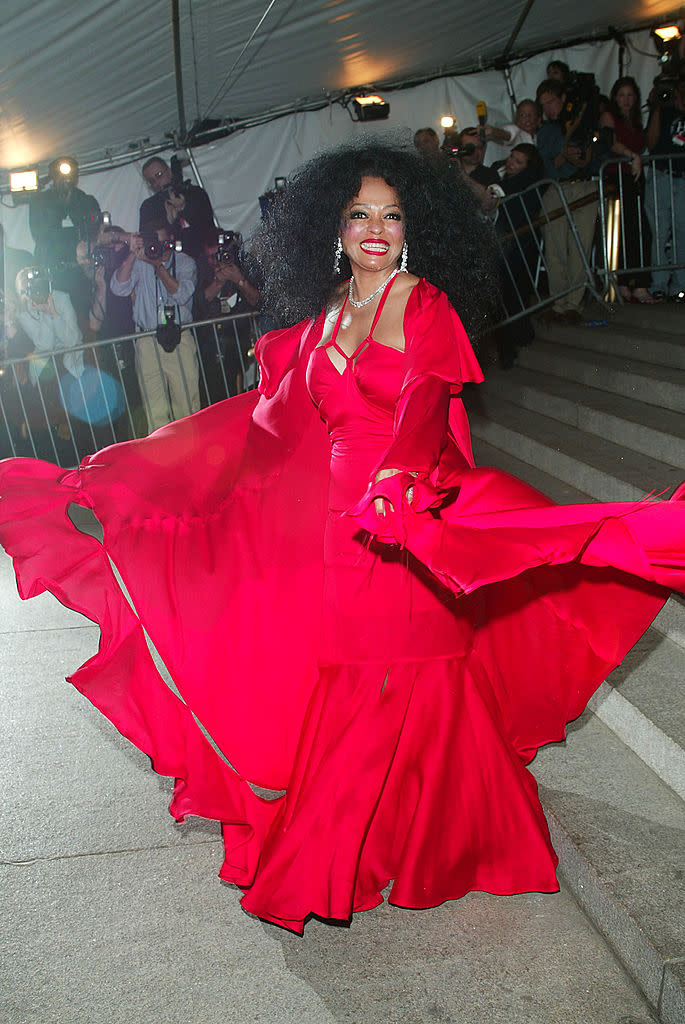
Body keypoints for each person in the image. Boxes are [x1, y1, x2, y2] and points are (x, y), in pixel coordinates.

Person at [0, 143, 683, 938]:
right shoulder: (322, 320)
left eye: (391, 216)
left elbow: (426, 401)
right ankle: (409, 840)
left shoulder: (420, 304)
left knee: (410, 676)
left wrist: (397, 483)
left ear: (411, 230)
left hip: (401, 517)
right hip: (334, 525)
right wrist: (136, 473)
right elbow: (257, 427)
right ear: (332, 226)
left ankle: (385, 850)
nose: (375, 228)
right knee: (366, 678)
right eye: (359, 213)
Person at [110, 221, 200, 432]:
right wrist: (133, 254)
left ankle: (191, 457)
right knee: (154, 409)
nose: (156, 247)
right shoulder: (140, 263)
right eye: (153, 243)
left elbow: (181, 293)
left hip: (180, 338)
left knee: (187, 405)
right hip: (147, 339)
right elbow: (118, 288)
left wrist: (158, 266)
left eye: (162, 243)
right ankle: (163, 459)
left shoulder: (185, 263)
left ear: (171, 242)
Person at [535, 78, 600, 322]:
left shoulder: (583, 123)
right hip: (555, 188)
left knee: (580, 246)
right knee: (554, 249)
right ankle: (558, 302)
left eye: (552, 101)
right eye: (544, 104)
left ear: (562, 99)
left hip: (583, 186)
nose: (549, 108)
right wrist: (562, 156)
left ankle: (573, 303)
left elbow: (593, 156)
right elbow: (546, 162)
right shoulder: (547, 130)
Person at [599, 77, 654, 303]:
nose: (626, 100)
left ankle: (631, 281)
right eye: (622, 95)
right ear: (614, 97)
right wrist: (633, 156)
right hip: (616, 177)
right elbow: (610, 142)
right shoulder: (609, 117)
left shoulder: (636, 121)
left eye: (630, 95)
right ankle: (629, 281)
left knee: (637, 230)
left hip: (632, 178)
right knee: (625, 230)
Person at [193, 228, 260, 401]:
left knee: (236, 383)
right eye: (210, 256)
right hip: (210, 341)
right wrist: (219, 282)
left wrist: (238, 279)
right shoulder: (203, 269)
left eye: (218, 255)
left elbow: (256, 300)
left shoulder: (243, 265)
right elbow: (199, 302)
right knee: (212, 390)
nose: (215, 261)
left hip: (237, 337)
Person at [644, 73, 685, 301]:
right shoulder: (661, 108)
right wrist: (658, 108)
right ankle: (659, 283)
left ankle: (680, 285)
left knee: (683, 233)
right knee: (659, 232)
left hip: (683, 177)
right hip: (661, 175)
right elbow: (650, 143)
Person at [139, 157, 216, 259]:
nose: (157, 183)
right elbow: (148, 239)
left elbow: (207, 226)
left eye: (159, 175)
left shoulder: (195, 193)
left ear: (169, 171)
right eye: (152, 181)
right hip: (172, 261)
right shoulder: (149, 206)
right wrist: (169, 222)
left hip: (203, 256)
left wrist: (184, 209)